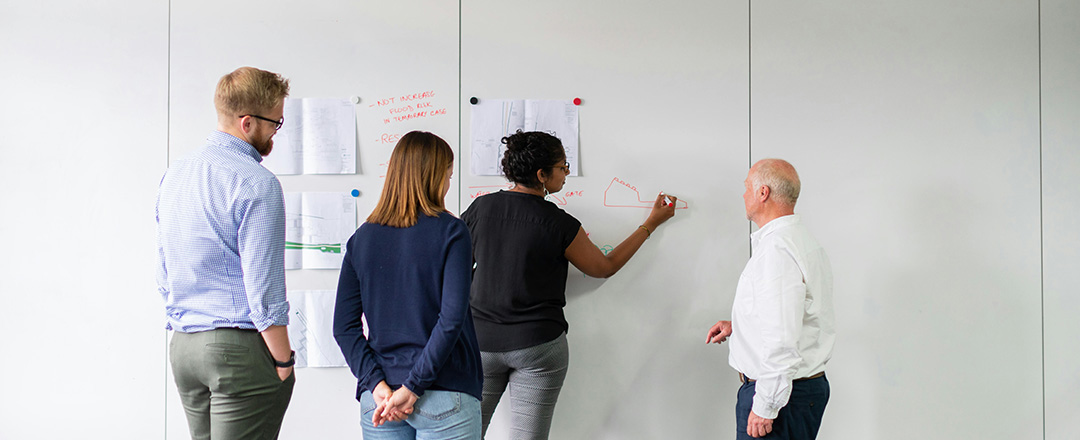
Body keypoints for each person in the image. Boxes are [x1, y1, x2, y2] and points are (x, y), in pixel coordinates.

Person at [461, 130, 678, 439]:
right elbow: (604, 267)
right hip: (537, 345)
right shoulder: (558, 222)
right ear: (542, 175)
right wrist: (650, 223)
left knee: (466, 433)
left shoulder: (479, 210)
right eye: (562, 167)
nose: (566, 173)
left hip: (479, 342)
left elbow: (454, 267)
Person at [156, 66, 295, 440]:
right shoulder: (256, 182)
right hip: (236, 348)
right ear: (247, 122)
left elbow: (164, 270)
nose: (274, 133)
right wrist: (284, 359)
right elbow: (264, 288)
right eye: (274, 124)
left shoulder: (176, 173)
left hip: (184, 347)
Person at [334, 131, 483, 439]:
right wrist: (413, 387)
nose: (447, 184)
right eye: (448, 176)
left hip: (380, 398)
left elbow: (344, 328)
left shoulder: (361, 239)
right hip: (444, 391)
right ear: (433, 177)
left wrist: (376, 384)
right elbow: (451, 319)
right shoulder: (452, 232)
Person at [705, 158, 835, 440]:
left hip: (781, 396)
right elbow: (794, 316)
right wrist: (740, 326)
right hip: (797, 391)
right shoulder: (800, 241)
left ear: (763, 193)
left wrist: (766, 406)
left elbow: (782, 340)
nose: (743, 195)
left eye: (746, 187)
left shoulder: (777, 251)